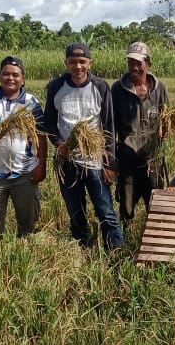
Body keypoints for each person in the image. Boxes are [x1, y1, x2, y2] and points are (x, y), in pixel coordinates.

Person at [43, 41, 124, 250]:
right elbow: (49, 123)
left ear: (90, 63)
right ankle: (83, 247)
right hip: (67, 161)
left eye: (82, 62)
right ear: (66, 63)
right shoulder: (56, 87)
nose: (77, 67)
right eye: (72, 62)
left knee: (105, 209)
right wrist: (59, 143)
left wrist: (109, 164)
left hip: (95, 161)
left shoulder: (100, 87)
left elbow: (108, 127)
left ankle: (115, 249)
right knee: (75, 211)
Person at [0, 56, 47, 237]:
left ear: (23, 79)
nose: (10, 78)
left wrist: (41, 164)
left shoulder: (31, 103)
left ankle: (25, 252)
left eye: (15, 75)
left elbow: (41, 135)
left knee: (28, 223)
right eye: (6, 74)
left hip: (25, 172)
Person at [111, 41, 168, 225]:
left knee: (156, 199)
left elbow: (167, 117)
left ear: (148, 64)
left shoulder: (160, 88)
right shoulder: (118, 89)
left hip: (153, 155)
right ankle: (125, 241)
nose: (134, 67)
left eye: (138, 63)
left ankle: (155, 236)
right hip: (128, 154)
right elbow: (111, 125)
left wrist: (165, 131)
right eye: (130, 63)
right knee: (127, 201)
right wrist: (112, 158)